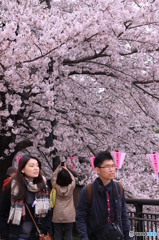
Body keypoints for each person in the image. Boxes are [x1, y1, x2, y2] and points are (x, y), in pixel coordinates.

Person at [76, 151, 132, 240]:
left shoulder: (119, 188)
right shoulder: (88, 191)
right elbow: (80, 218)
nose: (111, 169)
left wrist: (129, 237)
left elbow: (124, 216)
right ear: (97, 170)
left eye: (113, 166)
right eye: (107, 166)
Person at [0, 154, 52, 240]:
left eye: (37, 165)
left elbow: (48, 213)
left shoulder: (43, 187)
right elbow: (2, 212)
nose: (36, 168)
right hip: (17, 236)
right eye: (31, 166)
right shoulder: (13, 186)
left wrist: (49, 232)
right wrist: (5, 234)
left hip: (37, 236)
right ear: (22, 169)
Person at [51, 162, 76, 240]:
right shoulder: (71, 186)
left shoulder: (55, 186)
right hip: (69, 214)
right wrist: (66, 169)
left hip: (57, 213)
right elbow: (73, 179)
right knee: (69, 235)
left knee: (57, 235)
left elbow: (53, 177)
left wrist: (58, 168)